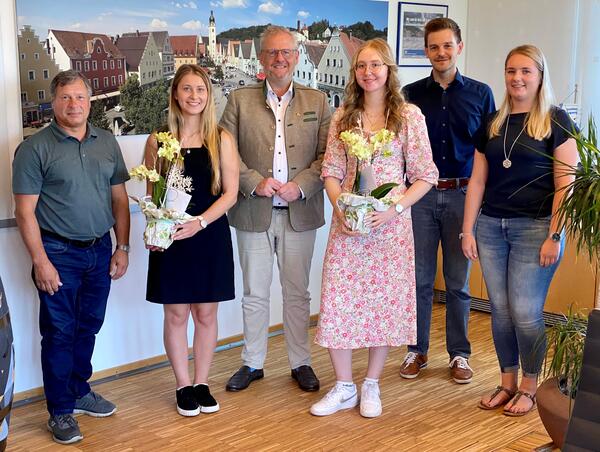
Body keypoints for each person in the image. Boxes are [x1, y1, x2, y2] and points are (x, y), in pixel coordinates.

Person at [311, 38, 438, 418]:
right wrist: (342, 207)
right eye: (361, 66)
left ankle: (371, 385)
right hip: (348, 228)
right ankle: (344, 386)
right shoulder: (342, 117)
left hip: (390, 229)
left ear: (388, 71)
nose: (368, 72)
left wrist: (394, 209)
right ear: (355, 73)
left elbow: (425, 175)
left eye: (375, 65)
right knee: (339, 302)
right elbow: (331, 172)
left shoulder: (409, 117)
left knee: (381, 306)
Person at [12, 70, 130, 445]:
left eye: (80, 97)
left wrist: (121, 246)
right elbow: (24, 212)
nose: (74, 104)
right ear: (53, 102)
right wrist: (41, 261)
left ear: (90, 100)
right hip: (58, 254)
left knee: (89, 326)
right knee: (60, 333)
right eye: (66, 97)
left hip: (99, 251)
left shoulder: (106, 142)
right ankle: (60, 411)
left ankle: (80, 391)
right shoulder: (34, 149)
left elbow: (120, 200)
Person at [462, 45, 577, 416]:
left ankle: (529, 386)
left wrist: (555, 236)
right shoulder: (493, 124)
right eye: (511, 71)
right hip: (492, 227)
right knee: (500, 311)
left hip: (536, 228)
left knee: (526, 312)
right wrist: (468, 230)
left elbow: (566, 185)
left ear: (540, 75)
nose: (517, 78)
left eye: (526, 71)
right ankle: (506, 382)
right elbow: (477, 182)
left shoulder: (556, 121)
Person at [219, 25, 331, 392]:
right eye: (272, 53)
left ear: (296, 57)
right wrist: (252, 182)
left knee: (297, 293)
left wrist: (304, 185)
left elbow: (328, 156)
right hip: (254, 212)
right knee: (254, 291)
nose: (279, 59)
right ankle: (252, 363)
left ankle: (300, 362)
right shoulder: (239, 101)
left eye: (286, 52)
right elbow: (226, 151)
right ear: (262, 59)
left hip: (301, 214)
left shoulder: (317, 101)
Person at [401, 18, 495, 383]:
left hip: (462, 195)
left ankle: (459, 355)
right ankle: (416, 350)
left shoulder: (481, 94)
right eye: (433, 47)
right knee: (419, 281)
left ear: (459, 46)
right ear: (426, 51)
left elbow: (488, 150)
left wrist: (483, 200)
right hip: (419, 198)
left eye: (447, 45)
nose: (441, 52)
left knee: (457, 283)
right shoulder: (409, 95)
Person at [145, 64, 239, 416]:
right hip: (172, 238)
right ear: (175, 94)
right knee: (175, 315)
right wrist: (157, 231)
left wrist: (199, 223)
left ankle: (202, 383)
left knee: (205, 313)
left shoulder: (222, 139)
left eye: (200, 89)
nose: (194, 96)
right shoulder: (158, 141)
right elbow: (152, 196)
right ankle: (182, 386)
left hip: (208, 233)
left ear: (208, 95)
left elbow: (230, 194)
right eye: (187, 89)